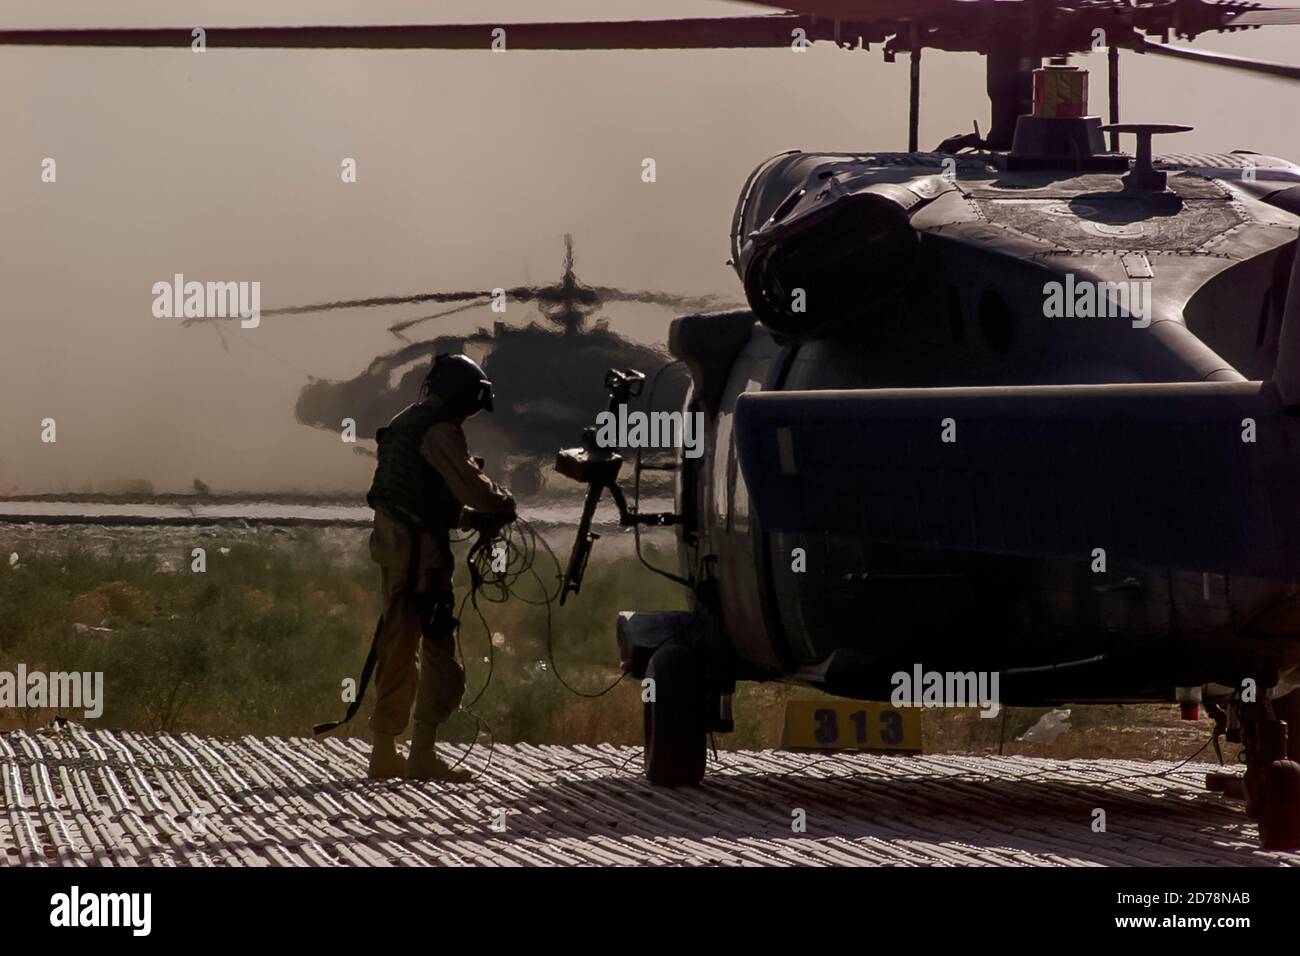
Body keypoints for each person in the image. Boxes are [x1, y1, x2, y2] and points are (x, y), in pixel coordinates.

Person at [363, 353, 515, 780]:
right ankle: (423, 751)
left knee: (397, 645)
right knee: (439, 653)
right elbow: (472, 487)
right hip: (420, 556)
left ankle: (384, 749)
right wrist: (502, 505)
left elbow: (419, 496)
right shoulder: (440, 431)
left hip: (395, 549)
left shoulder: (405, 423)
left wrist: (463, 518)